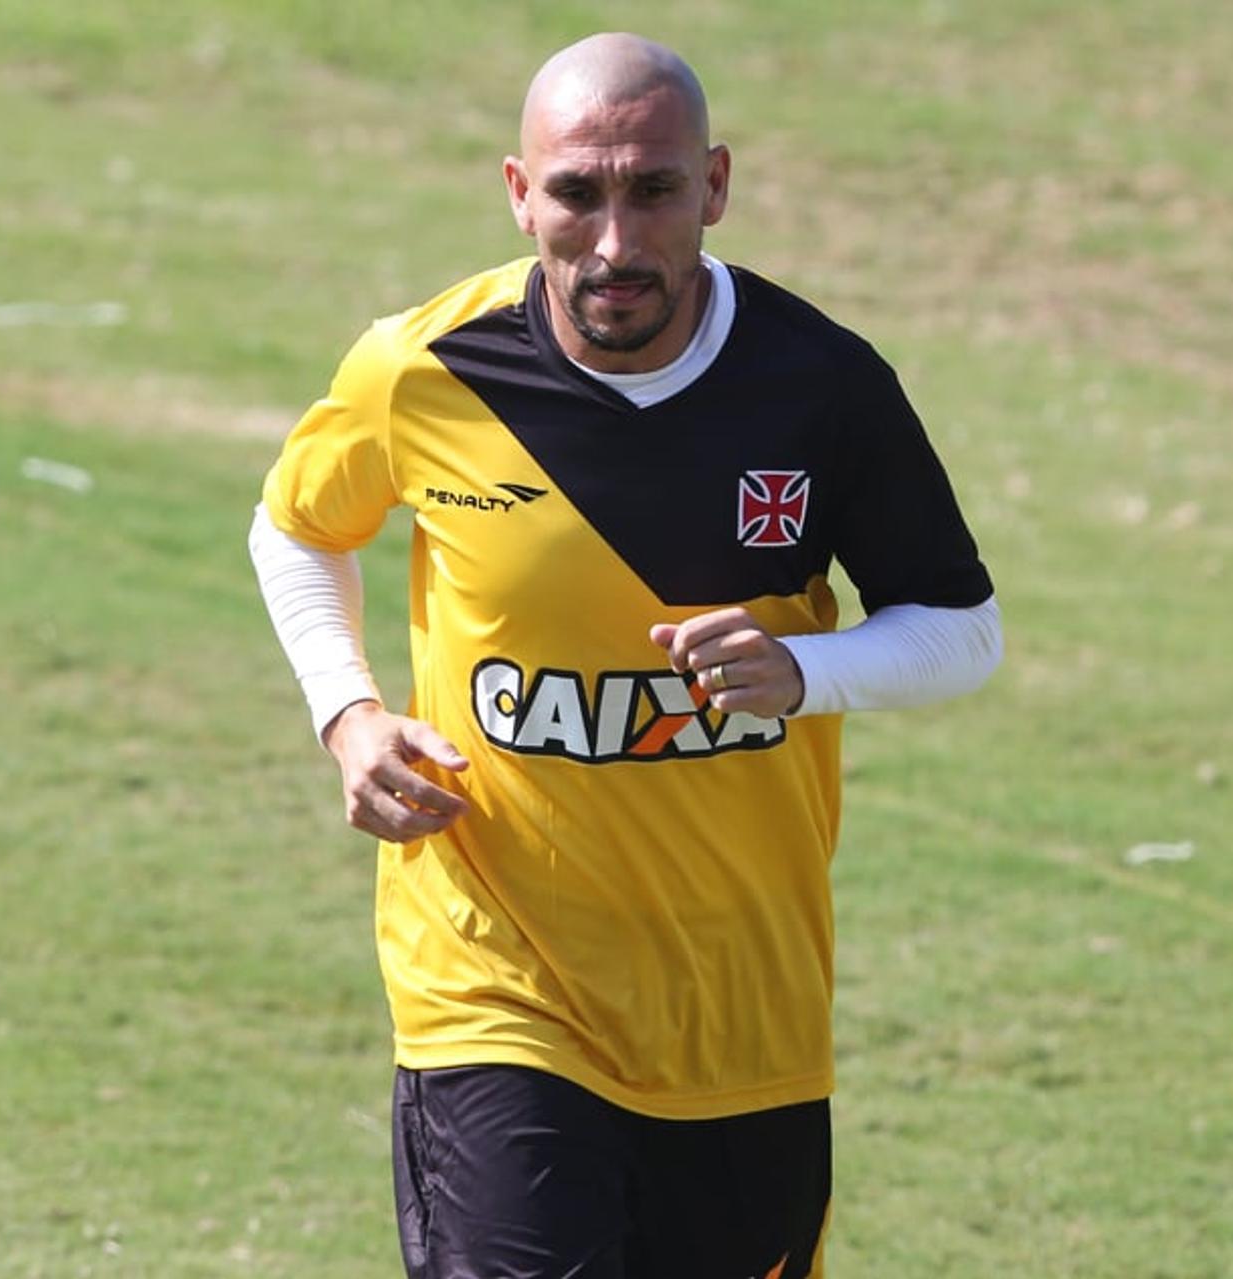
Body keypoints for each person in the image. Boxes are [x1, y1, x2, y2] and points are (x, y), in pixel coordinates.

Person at [250, 32, 1002, 1279]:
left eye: (652, 191)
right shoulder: (423, 370)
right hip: (496, 990)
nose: (614, 241)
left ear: (712, 186)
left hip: (742, 1009)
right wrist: (350, 712)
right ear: (516, 191)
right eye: (576, 194)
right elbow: (295, 527)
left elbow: (964, 631)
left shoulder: (821, 386)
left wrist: (808, 671)